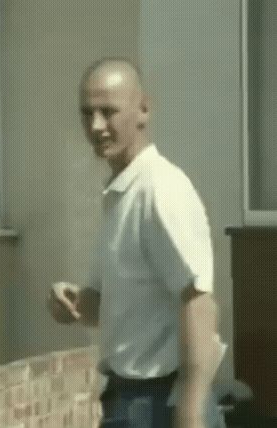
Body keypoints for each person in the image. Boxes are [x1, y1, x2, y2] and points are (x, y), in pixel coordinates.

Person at [47, 58, 223, 428]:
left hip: (162, 401)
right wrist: (74, 303)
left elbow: (199, 302)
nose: (96, 126)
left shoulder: (160, 191)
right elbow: (113, 306)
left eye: (108, 112)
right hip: (128, 400)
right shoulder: (120, 194)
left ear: (143, 110)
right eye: (87, 113)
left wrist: (189, 414)